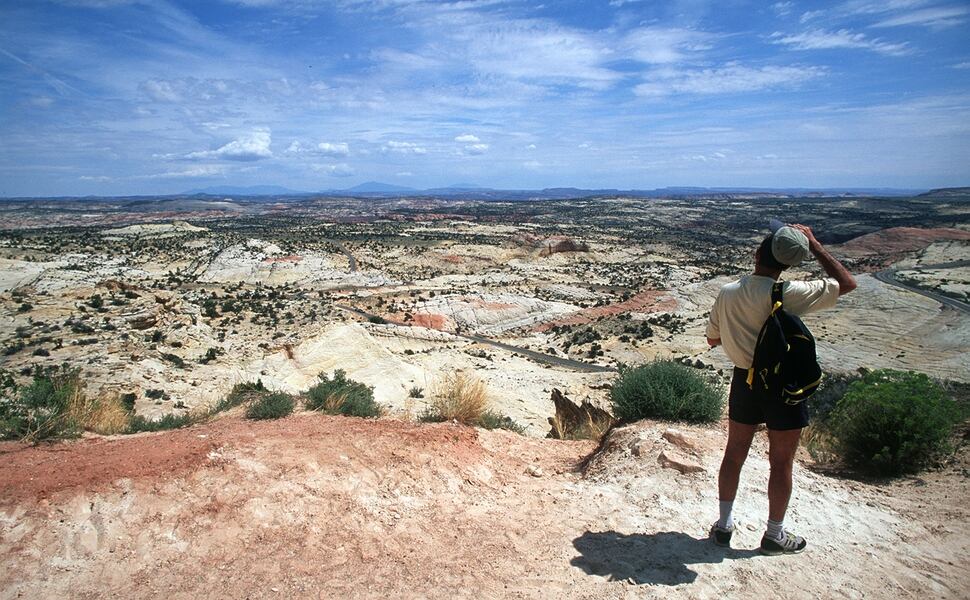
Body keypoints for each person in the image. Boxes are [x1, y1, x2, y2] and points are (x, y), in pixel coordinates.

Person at [705, 222, 856, 555]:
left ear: (757, 254)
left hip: (744, 381)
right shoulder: (788, 294)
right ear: (787, 264)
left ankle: (723, 526)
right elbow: (846, 284)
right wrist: (815, 245)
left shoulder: (728, 291)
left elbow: (712, 339)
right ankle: (774, 535)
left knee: (734, 455)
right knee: (781, 462)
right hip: (782, 386)